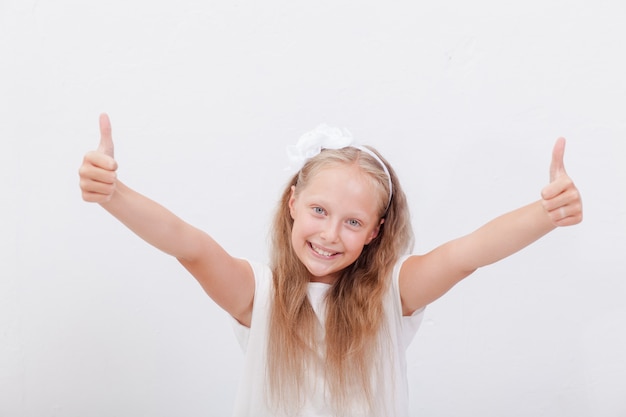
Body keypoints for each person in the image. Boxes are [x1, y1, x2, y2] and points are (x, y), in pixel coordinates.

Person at [79, 114, 583, 417]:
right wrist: (114, 194)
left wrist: (545, 214)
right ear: (293, 203)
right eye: (320, 211)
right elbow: (190, 246)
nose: (329, 234)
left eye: (352, 221)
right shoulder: (259, 296)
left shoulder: (394, 294)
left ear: (374, 233)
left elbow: (466, 254)